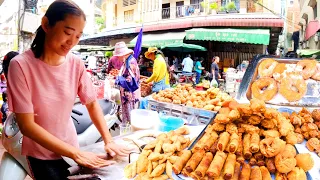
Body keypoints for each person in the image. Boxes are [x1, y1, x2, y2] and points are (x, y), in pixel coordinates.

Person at [6, 1, 130, 179]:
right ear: (46, 24)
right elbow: (27, 126)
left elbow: (92, 103)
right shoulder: (20, 65)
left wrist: (108, 140)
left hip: (70, 147)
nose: (72, 42)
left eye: (78, 36)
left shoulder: (76, 63)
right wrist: (76, 154)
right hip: (40, 155)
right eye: (67, 32)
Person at [114, 42, 141, 124]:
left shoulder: (130, 62)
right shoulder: (127, 61)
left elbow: (129, 81)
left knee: (130, 118)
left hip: (129, 96)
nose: (117, 58)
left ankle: (129, 132)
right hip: (127, 95)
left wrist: (118, 80)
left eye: (118, 56)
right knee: (128, 116)